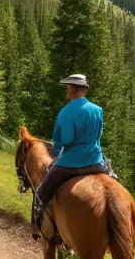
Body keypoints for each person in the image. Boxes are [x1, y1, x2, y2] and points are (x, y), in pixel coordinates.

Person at [31, 73, 109, 240]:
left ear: (73, 88)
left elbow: (65, 140)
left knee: (41, 192)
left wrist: (55, 154)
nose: (66, 90)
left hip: (71, 163)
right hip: (96, 161)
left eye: (67, 87)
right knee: (111, 179)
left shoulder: (65, 113)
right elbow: (98, 136)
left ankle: (37, 226)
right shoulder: (97, 110)